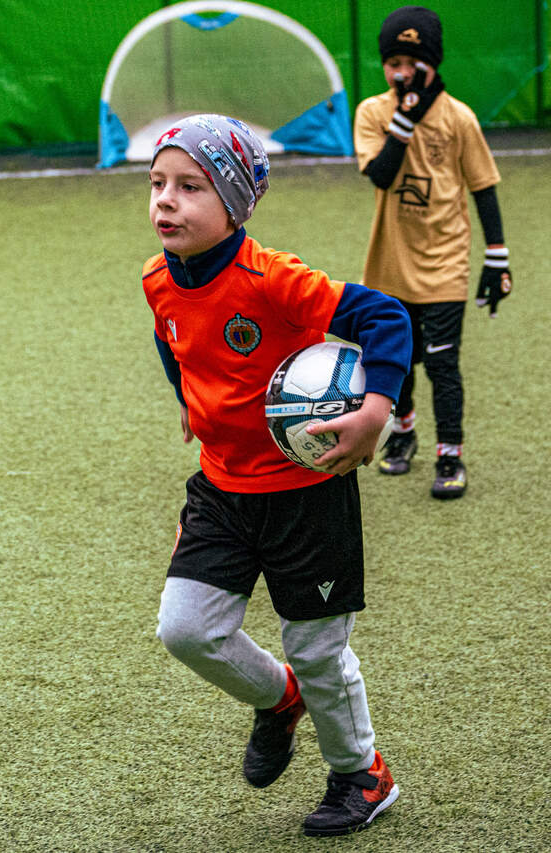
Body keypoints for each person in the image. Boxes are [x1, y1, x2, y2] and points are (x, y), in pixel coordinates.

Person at [142, 114, 412, 836]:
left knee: (317, 650)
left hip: (306, 496)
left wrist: (374, 412)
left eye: (190, 186)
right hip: (221, 490)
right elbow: (173, 339)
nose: (166, 199)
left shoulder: (273, 279)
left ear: (235, 204)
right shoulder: (156, 279)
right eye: (158, 183)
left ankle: (362, 773)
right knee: (185, 630)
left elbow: (385, 317)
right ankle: (278, 698)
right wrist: (188, 399)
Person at [354, 5, 509, 499]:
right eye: (393, 62)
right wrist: (406, 118)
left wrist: (498, 256)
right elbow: (381, 175)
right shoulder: (372, 113)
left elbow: (482, 185)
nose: (402, 72)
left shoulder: (458, 117)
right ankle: (403, 432)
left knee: (442, 363)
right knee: (397, 360)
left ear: (434, 63)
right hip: (390, 263)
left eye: (413, 62)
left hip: (445, 261)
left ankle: (450, 454)